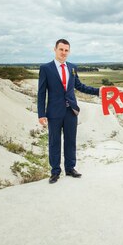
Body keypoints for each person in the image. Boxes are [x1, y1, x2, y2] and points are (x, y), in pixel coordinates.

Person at [37, 39, 100, 184]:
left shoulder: (72, 67)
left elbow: (79, 85)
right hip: (54, 112)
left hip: (71, 111)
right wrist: (41, 114)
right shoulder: (46, 68)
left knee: (71, 141)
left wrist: (98, 91)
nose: (63, 53)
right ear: (55, 49)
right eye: (61, 49)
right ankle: (55, 172)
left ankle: (70, 168)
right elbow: (41, 93)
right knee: (54, 142)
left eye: (66, 50)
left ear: (69, 51)